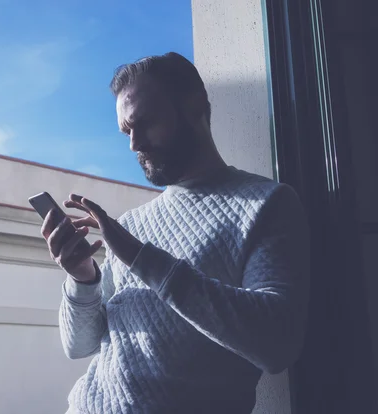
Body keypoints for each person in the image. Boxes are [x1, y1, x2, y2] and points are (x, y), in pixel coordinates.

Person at [40, 52, 310, 414]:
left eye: (145, 123)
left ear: (195, 105)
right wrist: (83, 279)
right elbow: (79, 345)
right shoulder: (132, 224)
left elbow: (277, 343)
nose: (134, 144)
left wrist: (141, 258)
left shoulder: (266, 203)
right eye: (126, 131)